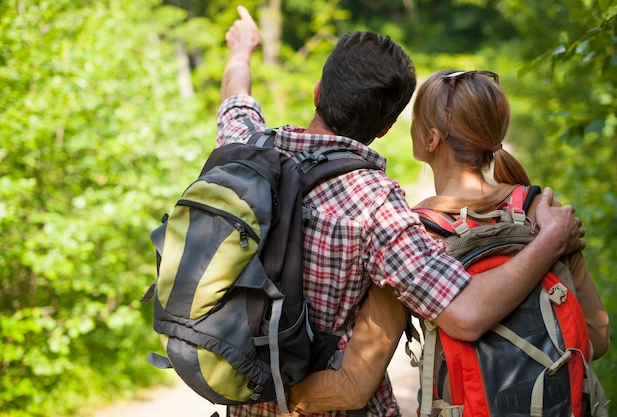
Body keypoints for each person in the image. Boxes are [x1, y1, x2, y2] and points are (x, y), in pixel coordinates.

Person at [218, 6, 587, 417]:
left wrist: (243, 47)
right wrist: (552, 238)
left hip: (242, 397)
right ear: (385, 128)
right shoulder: (376, 204)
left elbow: (235, 96)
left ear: (317, 92)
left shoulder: (247, 149)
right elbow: (465, 314)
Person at [288, 70, 610, 415]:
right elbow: (596, 336)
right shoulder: (544, 214)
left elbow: (354, 386)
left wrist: (271, 394)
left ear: (431, 139)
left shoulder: (412, 236)